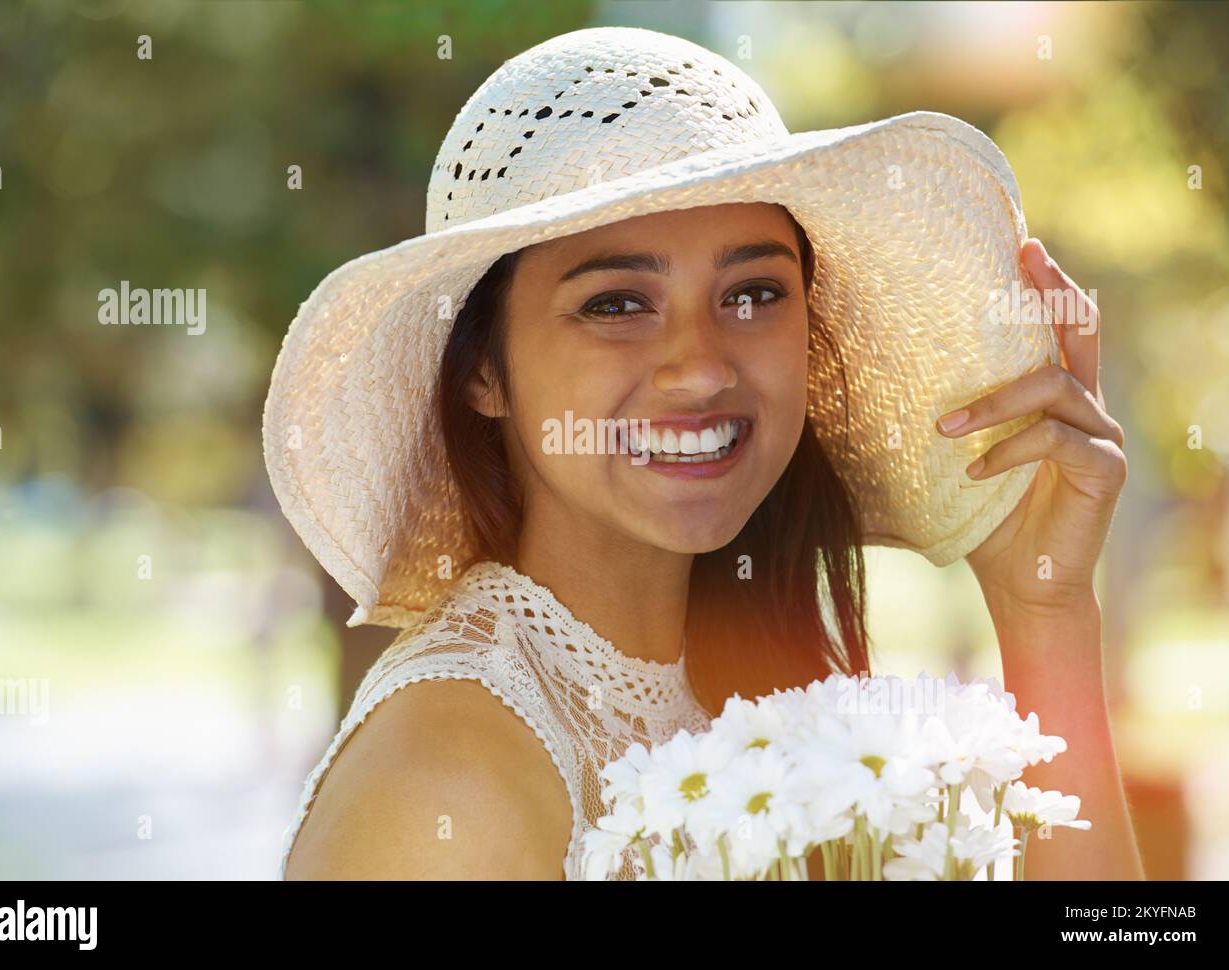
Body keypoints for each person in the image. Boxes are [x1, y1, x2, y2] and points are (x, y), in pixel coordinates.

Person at [264, 26, 1141, 880]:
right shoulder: (444, 784)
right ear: (483, 372)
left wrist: (1044, 609)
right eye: (616, 304)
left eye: (753, 292)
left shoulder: (756, 690)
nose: (700, 368)